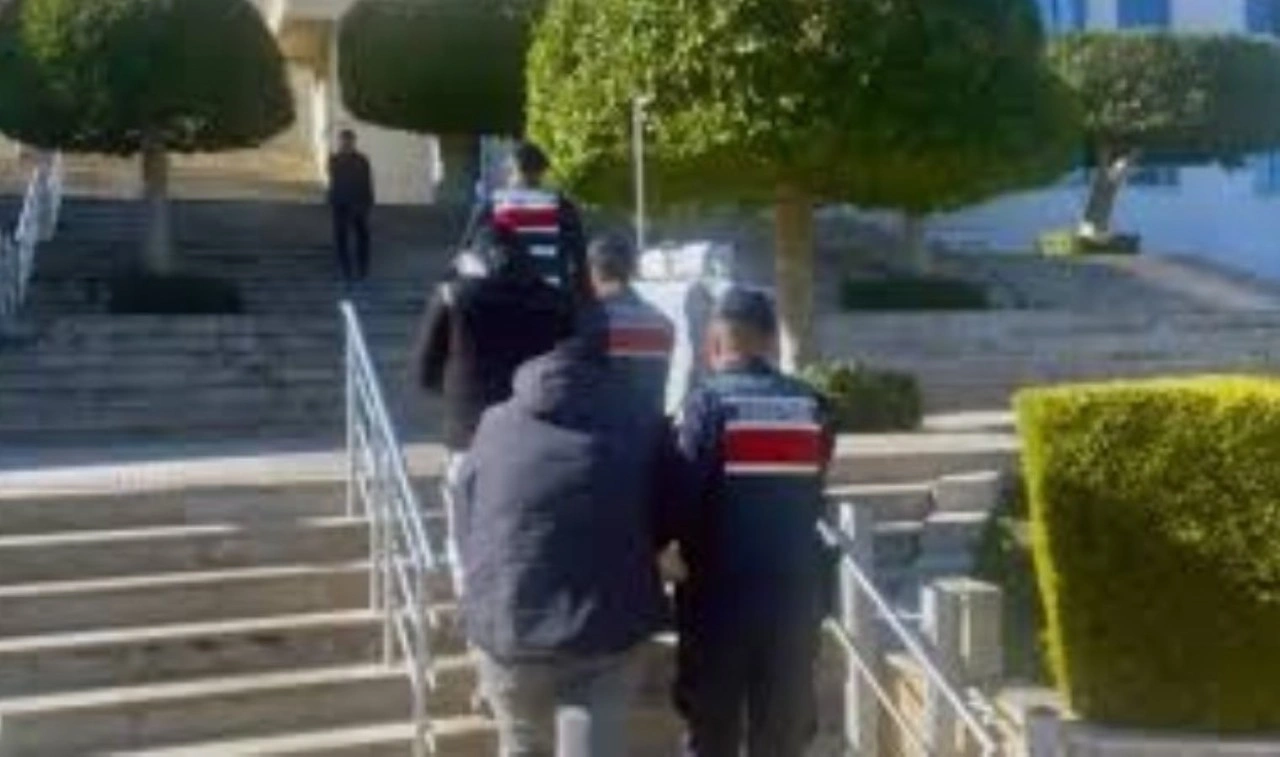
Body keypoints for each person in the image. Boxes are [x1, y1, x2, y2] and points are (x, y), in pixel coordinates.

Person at [456, 311, 679, 757]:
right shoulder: (642, 422)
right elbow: (665, 517)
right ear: (608, 360)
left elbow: (467, 514)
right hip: (607, 624)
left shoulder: (495, 422)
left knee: (520, 743)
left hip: (508, 619)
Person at [672, 289, 835, 757]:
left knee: (712, 733)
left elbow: (684, 495)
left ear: (714, 342)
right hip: (794, 598)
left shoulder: (705, 404)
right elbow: (812, 490)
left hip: (718, 600)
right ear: (770, 341)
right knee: (782, 736)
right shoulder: (814, 405)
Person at [414, 227, 574, 593]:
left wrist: (455, 394)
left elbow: (424, 373)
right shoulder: (556, 302)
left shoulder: (453, 297)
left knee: (466, 526)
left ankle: (470, 598)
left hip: (470, 433)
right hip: (539, 433)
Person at [463, 141, 589, 302]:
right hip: (551, 301)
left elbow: (467, 252)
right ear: (542, 172)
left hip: (503, 300)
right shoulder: (562, 207)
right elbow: (579, 258)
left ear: (513, 169)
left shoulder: (493, 206)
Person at [588, 233, 675, 415]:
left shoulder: (586, 322)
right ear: (633, 268)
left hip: (597, 428)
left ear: (593, 271)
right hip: (649, 428)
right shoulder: (663, 325)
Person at [328, 129, 374, 283]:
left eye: (349, 141)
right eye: (344, 141)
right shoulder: (335, 160)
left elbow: (367, 181)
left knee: (362, 238)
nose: (346, 144)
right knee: (341, 238)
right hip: (341, 205)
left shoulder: (362, 160)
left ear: (354, 142)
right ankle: (345, 270)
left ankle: (362, 269)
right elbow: (334, 181)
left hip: (358, 204)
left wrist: (368, 202)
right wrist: (333, 200)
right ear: (340, 142)